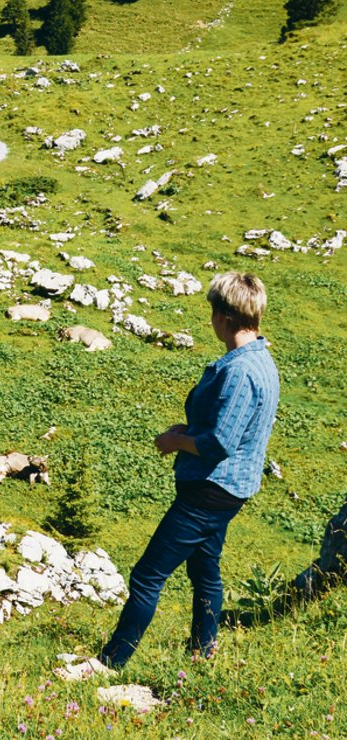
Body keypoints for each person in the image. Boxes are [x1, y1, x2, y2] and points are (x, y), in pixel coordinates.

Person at [67, 272, 279, 678]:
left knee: (147, 575)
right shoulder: (261, 359)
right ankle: (202, 652)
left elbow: (219, 444)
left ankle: (110, 663)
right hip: (230, 488)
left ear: (224, 316)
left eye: (213, 311)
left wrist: (176, 441)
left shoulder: (240, 371)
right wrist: (190, 429)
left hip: (210, 489)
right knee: (204, 569)